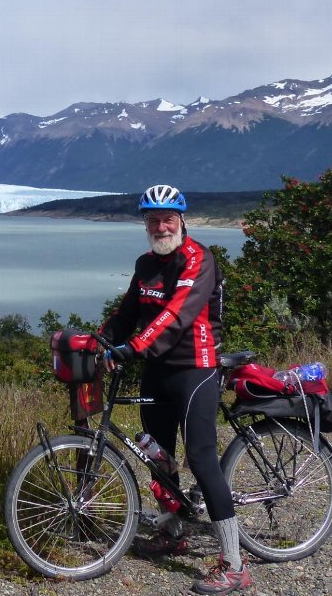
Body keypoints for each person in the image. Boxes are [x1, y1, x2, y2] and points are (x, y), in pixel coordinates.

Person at [99, 184, 252, 594]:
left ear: (182, 221)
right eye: (153, 220)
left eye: (168, 219)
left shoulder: (199, 260)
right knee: (157, 455)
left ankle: (235, 564)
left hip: (195, 367)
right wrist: (101, 341)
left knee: (202, 459)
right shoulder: (145, 264)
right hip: (157, 369)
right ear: (145, 224)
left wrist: (132, 348)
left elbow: (177, 314)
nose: (161, 226)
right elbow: (128, 311)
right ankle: (172, 531)